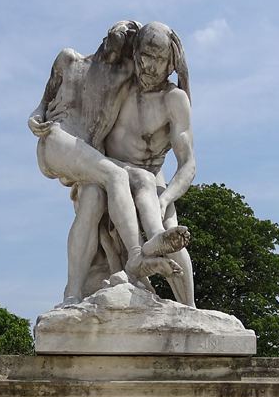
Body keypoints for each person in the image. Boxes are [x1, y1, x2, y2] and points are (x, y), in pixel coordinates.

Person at [28, 21, 190, 304]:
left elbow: (188, 163)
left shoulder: (168, 96)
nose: (149, 66)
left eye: (159, 59)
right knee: (109, 186)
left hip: (141, 174)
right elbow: (55, 95)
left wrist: (166, 199)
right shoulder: (108, 75)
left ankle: (188, 305)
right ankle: (130, 261)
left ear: (171, 63)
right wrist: (39, 111)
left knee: (144, 194)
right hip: (93, 160)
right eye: (144, 56)